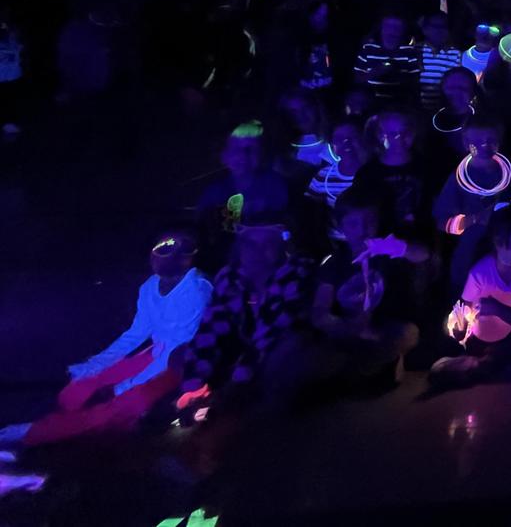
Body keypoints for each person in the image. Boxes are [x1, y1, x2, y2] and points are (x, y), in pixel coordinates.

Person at [0, 231, 211, 446]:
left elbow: (176, 350)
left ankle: (37, 432)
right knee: (77, 390)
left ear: (186, 258)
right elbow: (137, 333)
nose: (161, 257)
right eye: (160, 250)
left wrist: (122, 388)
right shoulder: (149, 287)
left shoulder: (196, 289)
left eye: (173, 252)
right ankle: (62, 422)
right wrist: (99, 363)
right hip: (156, 354)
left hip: (179, 365)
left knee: (122, 406)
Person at [175, 222, 316, 422]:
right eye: (250, 243)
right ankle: (204, 404)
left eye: (267, 243)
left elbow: (275, 328)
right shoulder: (230, 278)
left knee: (288, 351)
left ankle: (267, 417)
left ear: (279, 246)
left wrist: (238, 378)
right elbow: (212, 325)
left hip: (280, 345)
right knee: (181, 356)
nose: (257, 251)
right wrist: (194, 380)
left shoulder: (295, 273)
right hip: (244, 348)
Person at [312, 189, 424, 389]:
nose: (362, 229)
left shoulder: (386, 255)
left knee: (408, 333)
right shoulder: (334, 263)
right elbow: (320, 309)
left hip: (385, 328)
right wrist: (344, 325)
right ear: (340, 225)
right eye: (353, 224)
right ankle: (371, 369)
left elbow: (423, 255)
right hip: (349, 328)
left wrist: (399, 248)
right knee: (321, 351)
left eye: (369, 221)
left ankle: (364, 371)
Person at [430, 204, 511, 388]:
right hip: (479, 340)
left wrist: (497, 309)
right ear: (499, 238)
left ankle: (482, 364)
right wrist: (460, 327)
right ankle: (483, 363)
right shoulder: (480, 272)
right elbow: (463, 311)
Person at [433, 115, 511, 296]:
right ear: (466, 142)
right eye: (477, 141)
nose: (484, 145)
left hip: (505, 251)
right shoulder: (458, 180)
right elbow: (442, 223)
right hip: (470, 255)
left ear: (499, 141)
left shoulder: (508, 170)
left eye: (490, 140)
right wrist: (476, 219)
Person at [197, 121, 293, 271]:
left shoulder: (275, 184)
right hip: (227, 262)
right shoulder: (214, 191)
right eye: (237, 150)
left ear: (261, 154)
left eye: (251, 149)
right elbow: (204, 226)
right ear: (224, 156)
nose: (243, 156)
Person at [352, 111, 434, 236]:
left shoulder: (428, 167)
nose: (399, 138)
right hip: (381, 242)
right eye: (392, 133)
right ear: (380, 136)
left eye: (404, 132)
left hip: (421, 239)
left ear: (413, 133)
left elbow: (436, 209)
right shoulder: (366, 174)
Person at [307, 118, 368, 242]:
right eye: (339, 138)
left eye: (352, 136)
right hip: (337, 243)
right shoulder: (323, 176)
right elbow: (310, 210)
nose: (346, 142)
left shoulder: (373, 173)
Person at [354, 12, 419, 105]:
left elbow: (414, 82)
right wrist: (375, 73)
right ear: (381, 28)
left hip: (400, 103)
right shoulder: (368, 49)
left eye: (397, 27)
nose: (392, 31)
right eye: (388, 26)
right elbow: (357, 79)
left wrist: (397, 73)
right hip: (371, 103)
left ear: (403, 30)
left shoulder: (409, 51)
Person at [429, 66, 479, 160]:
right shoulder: (429, 121)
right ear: (442, 88)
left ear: (473, 91)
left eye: (462, 88)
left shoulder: (482, 121)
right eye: (451, 87)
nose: (456, 92)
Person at [418, 11, 462, 111]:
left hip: (443, 109)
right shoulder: (416, 50)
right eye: (435, 26)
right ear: (425, 29)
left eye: (443, 26)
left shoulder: (455, 54)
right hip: (417, 108)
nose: (439, 30)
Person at [0, 7, 25, 137]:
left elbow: (19, 47)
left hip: (12, 74)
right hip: (7, 74)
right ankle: (8, 122)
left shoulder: (13, 29)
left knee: (10, 99)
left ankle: (9, 123)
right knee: (7, 99)